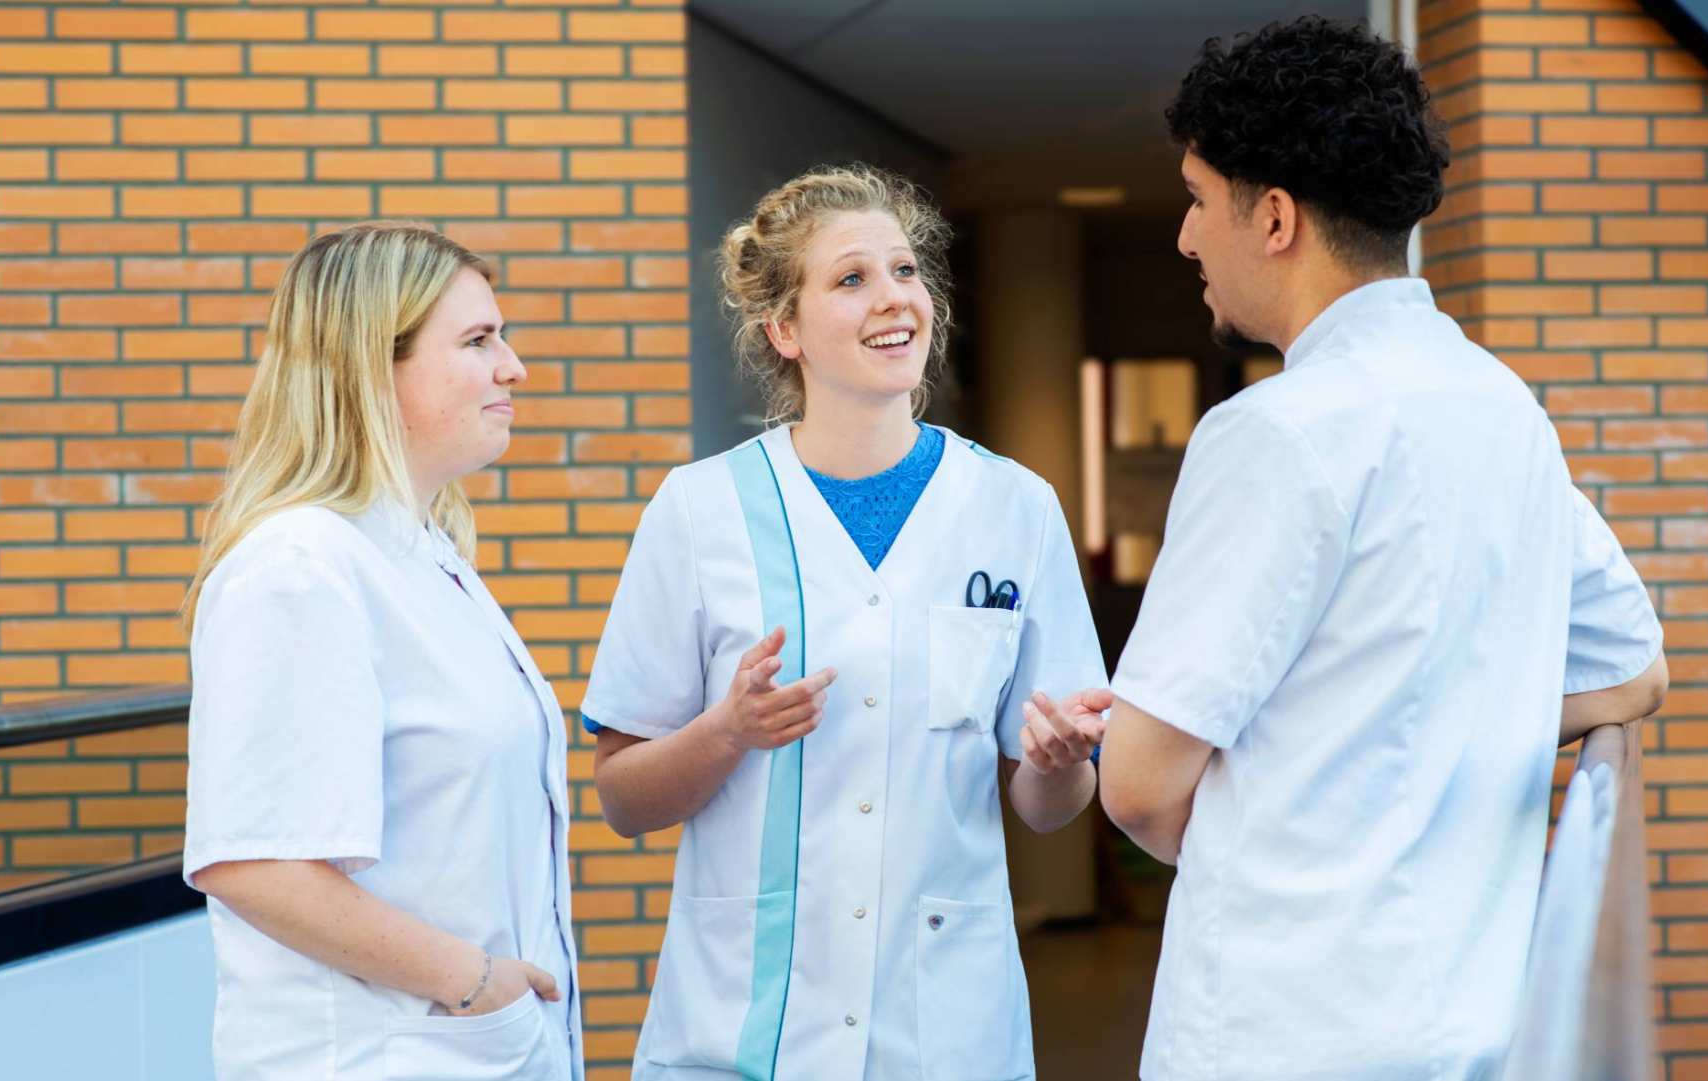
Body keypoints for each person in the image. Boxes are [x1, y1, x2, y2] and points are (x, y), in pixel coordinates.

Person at [1097, 17, 1668, 1080]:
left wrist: (1292, 781)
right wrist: (1430, 717)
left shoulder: (1274, 431)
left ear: (1271, 217)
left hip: (1281, 1029)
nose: (1184, 238)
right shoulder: (1502, 408)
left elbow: (1135, 782)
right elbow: (1634, 672)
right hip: (1471, 1022)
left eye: (1193, 197)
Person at [581, 164, 1110, 1081]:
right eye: (851, 278)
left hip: (945, 1034)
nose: (895, 298)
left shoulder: (1015, 508)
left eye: (906, 271)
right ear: (783, 330)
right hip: (740, 1032)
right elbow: (624, 797)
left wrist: (1061, 765)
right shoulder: (698, 511)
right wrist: (727, 731)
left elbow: (1047, 804)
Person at [181, 223, 583, 1081]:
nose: (512, 367)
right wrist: (478, 985)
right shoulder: (298, 567)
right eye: (477, 341)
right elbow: (256, 862)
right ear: (371, 364)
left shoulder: (420, 558)